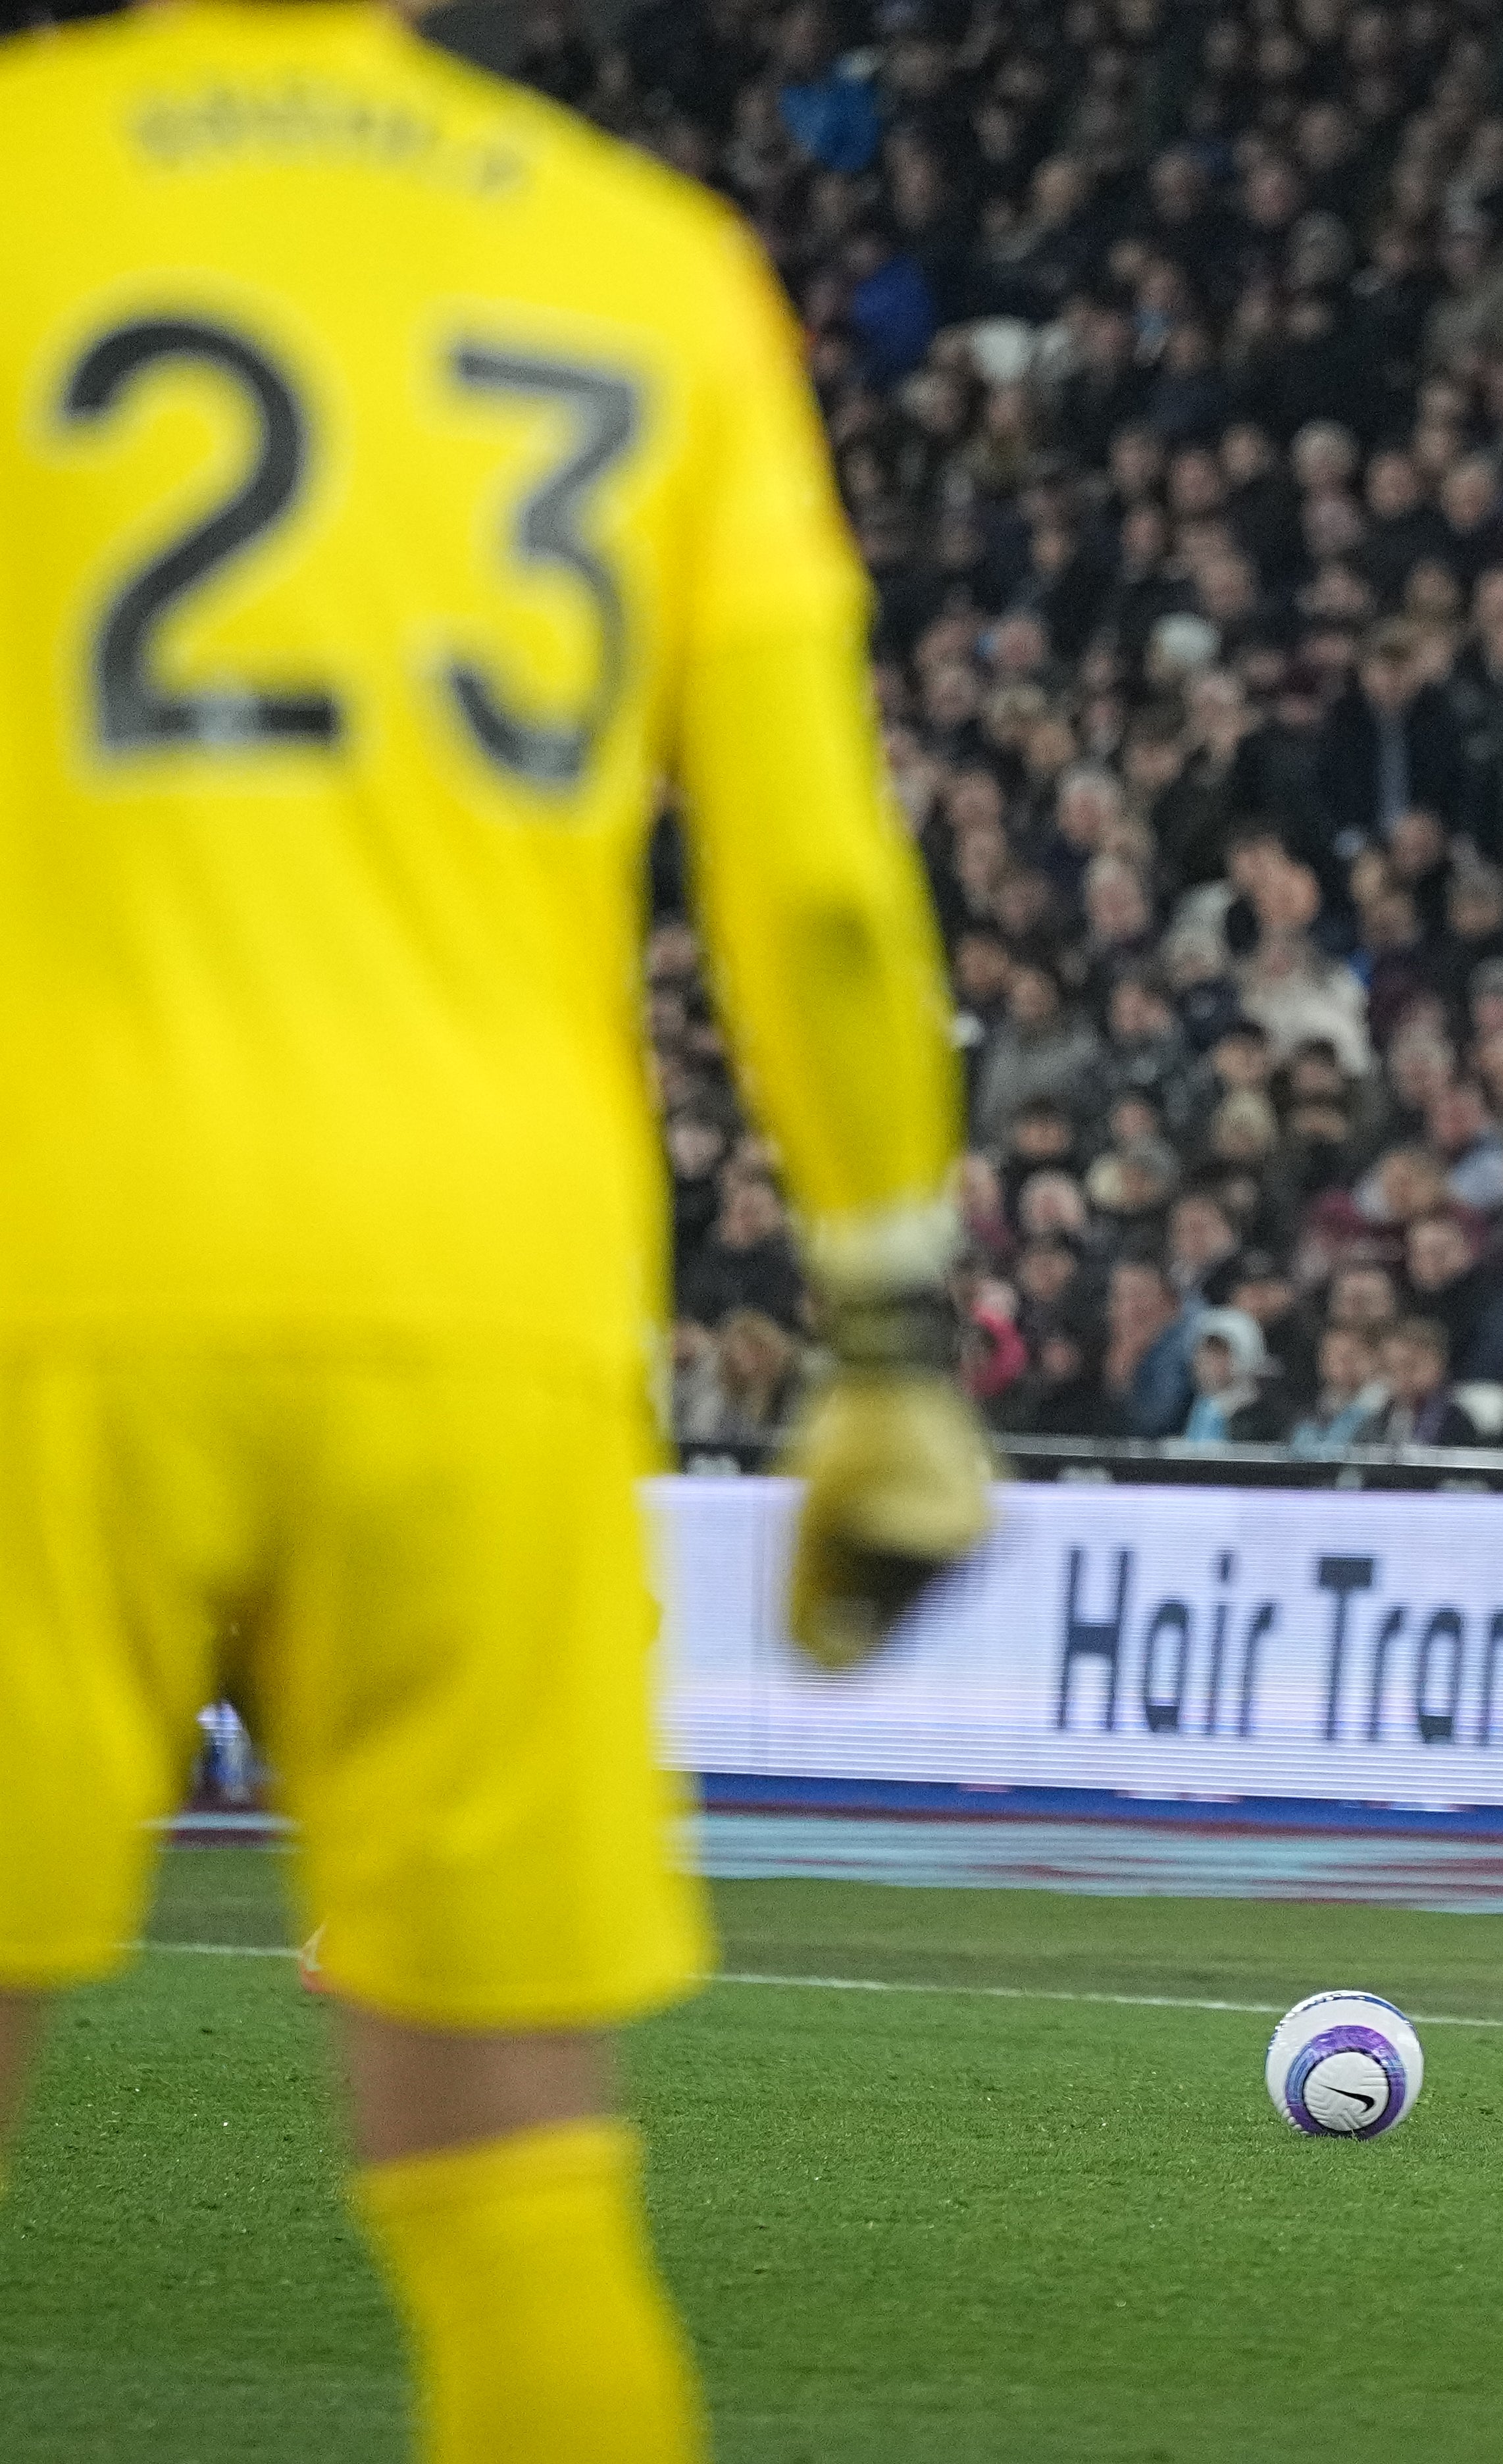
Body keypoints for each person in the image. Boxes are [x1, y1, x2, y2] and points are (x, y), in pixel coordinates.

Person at [0, 10, 996, 2457]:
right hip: (494, 1306)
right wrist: (887, 1328)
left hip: (54, 1255)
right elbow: (825, 898)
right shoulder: (645, 267)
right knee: (511, 2164)